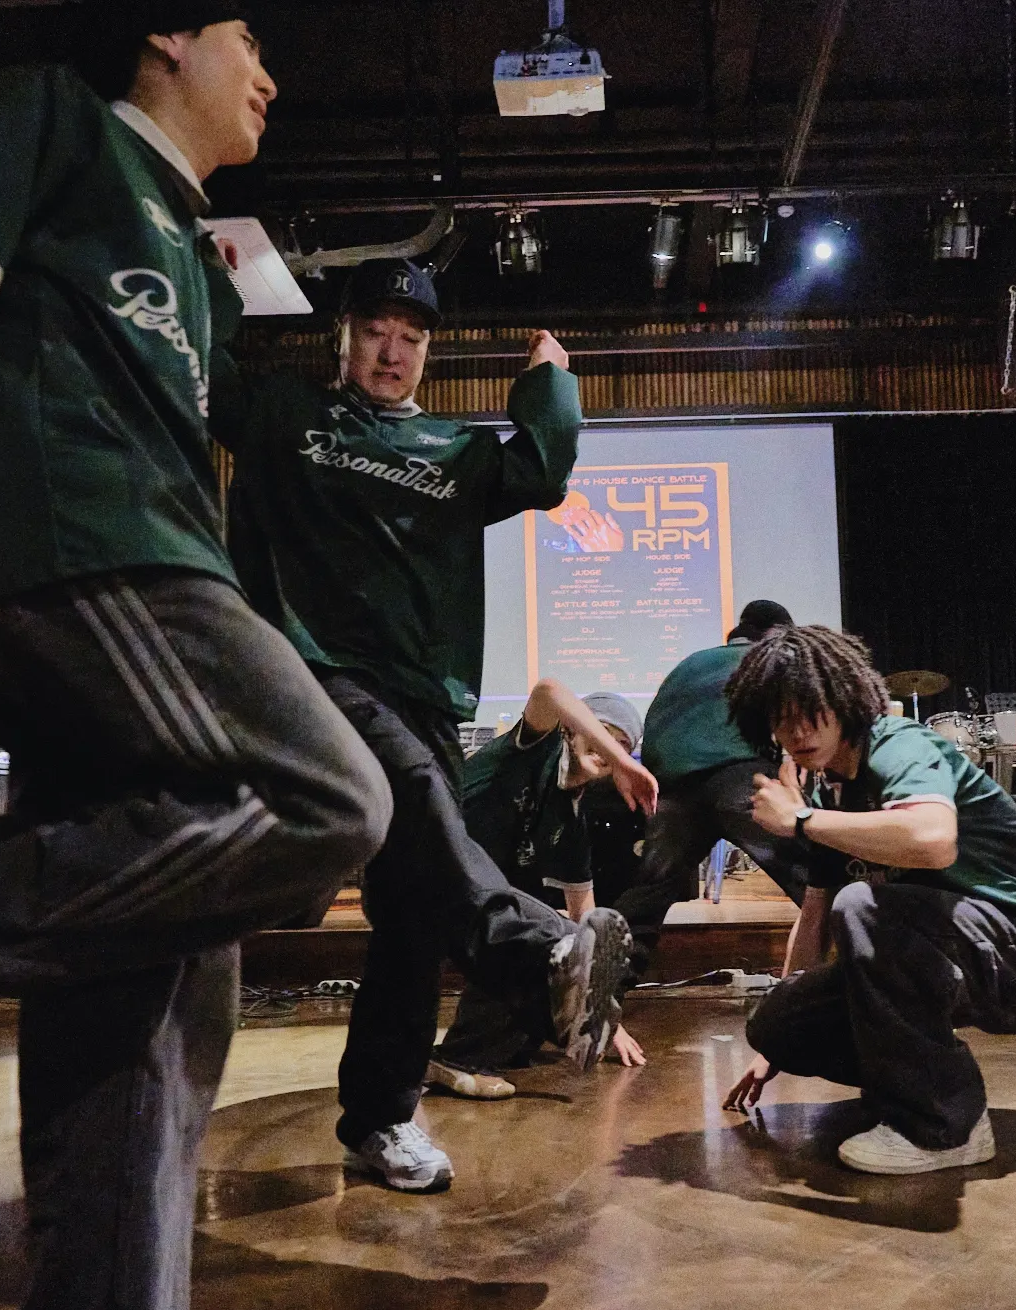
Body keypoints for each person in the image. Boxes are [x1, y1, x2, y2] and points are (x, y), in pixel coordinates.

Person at [0, 7, 391, 1310]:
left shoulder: (194, 252)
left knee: (159, 969)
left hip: (158, 562)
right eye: (251, 40)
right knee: (329, 796)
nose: (271, 77)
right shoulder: (51, 114)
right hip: (88, 549)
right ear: (167, 36)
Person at [226, 254, 633, 1194]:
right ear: (342, 336)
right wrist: (210, 279)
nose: (392, 351)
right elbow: (201, 376)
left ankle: (379, 1118)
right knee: (409, 785)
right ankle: (536, 949)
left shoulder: (455, 451)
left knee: (410, 914)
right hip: (317, 674)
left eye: (411, 338)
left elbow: (542, 470)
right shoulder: (287, 415)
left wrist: (550, 381)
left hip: (427, 697)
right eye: (375, 331)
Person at [717, 626, 1016, 1174]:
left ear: (844, 700)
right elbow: (814, 915)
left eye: (811, 711)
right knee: (780, 1021)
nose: (797, 731)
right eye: (781, 718)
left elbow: (932, 840)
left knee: (863, 907)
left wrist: (800, 821)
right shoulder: (827, 791)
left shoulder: (897, 743)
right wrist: (775, 1046)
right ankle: (916, 1087)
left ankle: (946, 1128)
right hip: (961, 946)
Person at [426, 681, 657, 1099]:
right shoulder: (534, 749)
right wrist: (623, 758)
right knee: (548, 939)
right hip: (424, 867)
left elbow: (588, 920)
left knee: (555, 947)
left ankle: (461, 1057)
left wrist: (606, 1017)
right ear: (571, 730)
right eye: (604, 735)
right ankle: (465, 1055)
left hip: (471, 903)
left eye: (623, 744)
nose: (608, 751)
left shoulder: (571, 821)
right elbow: (548, 691)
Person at [616, 599, 809, 973]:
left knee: (648, 894)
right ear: (777, 634)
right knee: (811, 873)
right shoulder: (773, 658)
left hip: (673, 786)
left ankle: (608, 974)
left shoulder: (692, 661)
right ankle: (876, 962)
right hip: (740, 775)